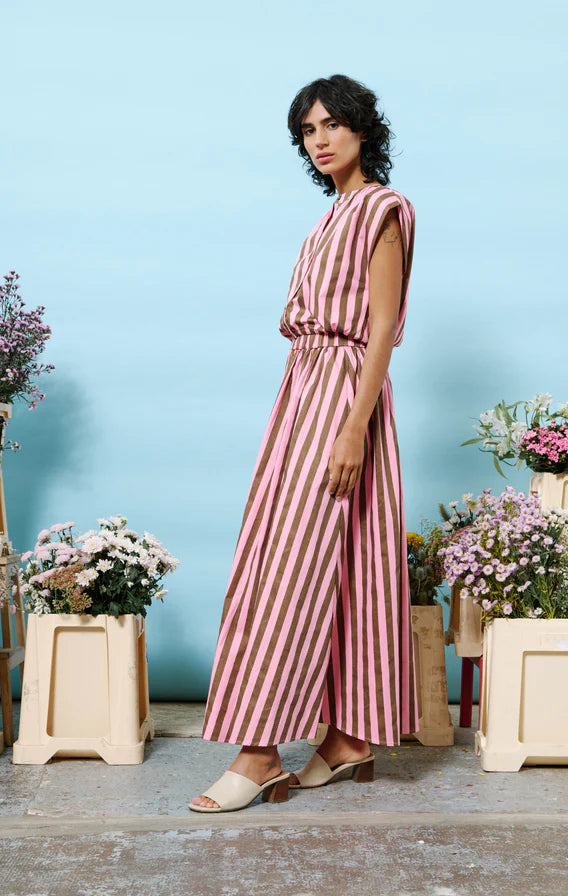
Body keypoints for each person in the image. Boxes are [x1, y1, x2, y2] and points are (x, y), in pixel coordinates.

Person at [189, 73, 419, 813]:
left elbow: (381, 330)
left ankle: (259, 754)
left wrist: (352, 427)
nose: (320, 141)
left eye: (332, 125)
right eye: (307, 131)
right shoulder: (328, 217)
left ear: (363, 129)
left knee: (292, 562)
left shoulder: (382, 209)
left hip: (343, 395)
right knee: (331, 558)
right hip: (303, 391)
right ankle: (347, 740)